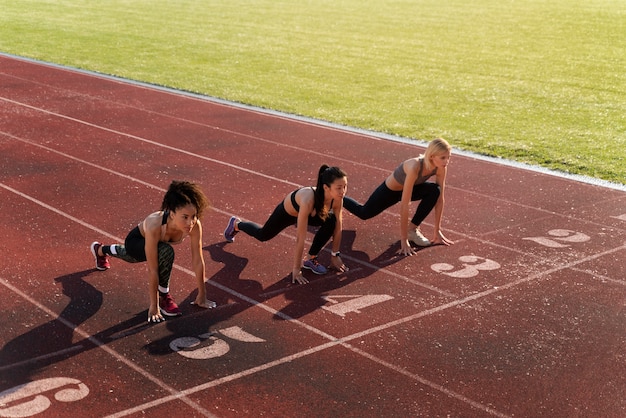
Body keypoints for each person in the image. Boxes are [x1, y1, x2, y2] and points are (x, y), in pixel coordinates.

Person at [90, 180, 216, 323]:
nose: (190, 222)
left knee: (146, 253)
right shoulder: (154, 224)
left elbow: (198, 261)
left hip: (156, 244)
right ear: (172, 213)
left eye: (193, 216)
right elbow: (152, 269)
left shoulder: (195, 226)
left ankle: (100, 250)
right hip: (136, 241)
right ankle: (164, 298)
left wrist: (202, 295)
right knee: (162, 252)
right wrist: (154, 305)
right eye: (185, 217)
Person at [223, 165, 349, 284]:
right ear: (326, 187)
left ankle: (311, 258)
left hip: (313, 214)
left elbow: (338, 228)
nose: (343, 191)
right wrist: (296, 269)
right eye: (339, 187)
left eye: (345, 186)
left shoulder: (337, 199)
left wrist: (335, 255)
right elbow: (300, 237)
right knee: (263, 235)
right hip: (288, 213)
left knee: (332, 221)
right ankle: (237, 224)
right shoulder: (308, 199)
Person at [343, 138, 454, 256]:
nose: (446, 161)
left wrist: (437, 231)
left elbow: (440, 199)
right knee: (364, 213)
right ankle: (335, 198)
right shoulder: (415, 166)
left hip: (411, 189)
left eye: (449, 157)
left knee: (435, 191)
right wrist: (403, 239)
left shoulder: (441, 168)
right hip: (390, 191)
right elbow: (405, 204)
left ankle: (412, 229)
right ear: (432, 156)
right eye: (443, 157)